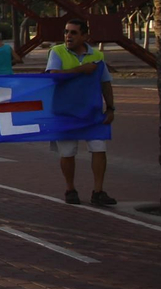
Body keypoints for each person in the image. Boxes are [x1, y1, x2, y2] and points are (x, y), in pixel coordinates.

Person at [46, 18, 117, 206]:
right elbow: (53, 76)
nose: (68, 36)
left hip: (92, 112)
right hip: (65, 112)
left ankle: (98, 191)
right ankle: (70, 189)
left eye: (73, 32)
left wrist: (110, 107)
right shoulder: (57, 52)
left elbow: (105, 82)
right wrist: (81, 70)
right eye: (66, 32)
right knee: (68, 153)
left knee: (99, 149)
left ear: (84, 36)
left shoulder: (97, 56)